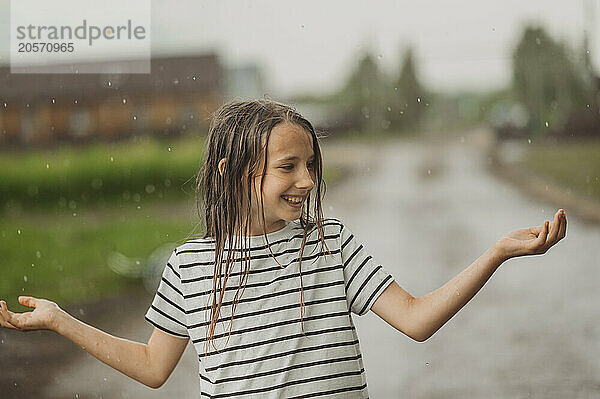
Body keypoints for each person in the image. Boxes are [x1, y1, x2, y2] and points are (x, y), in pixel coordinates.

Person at [0, 99, 567, 398]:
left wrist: (495, 253)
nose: (307, 181)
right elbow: (153, 367)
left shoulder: (329, 243)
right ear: (234, 172)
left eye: (312, 167)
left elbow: (417, 321)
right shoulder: (190, 265)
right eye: (288, 167)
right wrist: (60, 321)